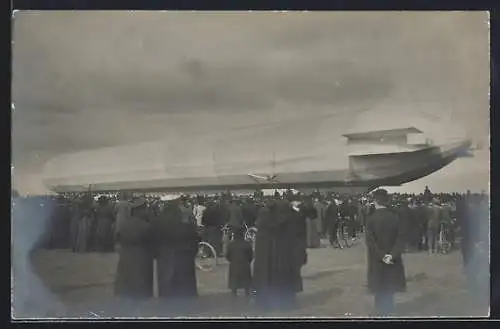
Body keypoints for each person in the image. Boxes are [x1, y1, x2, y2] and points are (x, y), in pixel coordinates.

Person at [365, 189, 407, 316]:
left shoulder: (371, 219)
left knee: (379, 288)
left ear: (375, 202)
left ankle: (380, 313)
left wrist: (382, 256)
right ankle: (389, 311)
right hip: (393, 259)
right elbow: (401, 239)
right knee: (389, 287)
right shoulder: (395, 217)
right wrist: (391, 255)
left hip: (377, 260)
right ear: (387, 201)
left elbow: (371, 242)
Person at [114, 198, 154, 300]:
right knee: (139, 278)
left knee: (126, 277)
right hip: (140, 255)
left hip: (126, 254)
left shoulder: (124, 224)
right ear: (139, 211)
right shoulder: (145, 225)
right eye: (145, 209)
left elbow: (118, 238)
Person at [225, 227, 253, 298]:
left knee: (234, 281)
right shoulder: (247, 244)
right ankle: (247, 293)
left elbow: (227, 256)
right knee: (246, 281)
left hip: (234, 265)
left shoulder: (231, 245)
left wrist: (232, 260)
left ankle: (234, 293)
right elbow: (251, 255)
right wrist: (248, 261)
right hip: (245, 265)